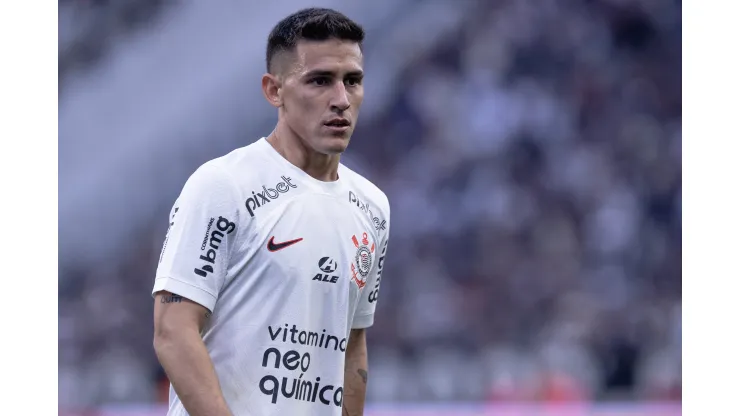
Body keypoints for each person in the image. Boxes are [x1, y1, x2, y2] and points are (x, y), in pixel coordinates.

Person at [151, 7, 390, 416]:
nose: (341, 99)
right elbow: (173, 330)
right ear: (274, 90)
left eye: (353, 81)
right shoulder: (223, 185)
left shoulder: (373, 207)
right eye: (319, 81)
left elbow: (353, 347)